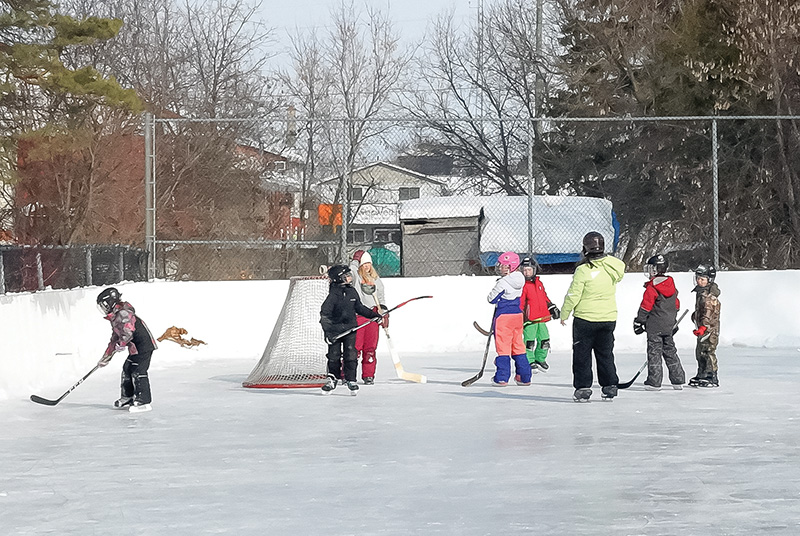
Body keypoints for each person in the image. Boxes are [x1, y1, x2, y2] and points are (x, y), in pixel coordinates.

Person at [560, 231, 625, 402]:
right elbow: (618, 265)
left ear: (585, 248)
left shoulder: (583, 270)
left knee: (582, 355)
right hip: (608, 318)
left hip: (585, 319)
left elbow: (574, 294)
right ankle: (610, 385)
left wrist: (564, 313)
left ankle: (583, 388)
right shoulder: (613, 266)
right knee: (605, 353)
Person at [319, 265, 381, 394]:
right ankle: (332, 378)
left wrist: (374, 315)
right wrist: (328, 332)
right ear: (339, 278)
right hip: (336, 331)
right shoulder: (333, 295)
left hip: (350, 329)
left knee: (351, 353)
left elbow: (359, 307)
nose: (350, 278)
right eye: (346, 276)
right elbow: (325, 315)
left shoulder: (352, 291)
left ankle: (351, 379)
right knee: (334, 355)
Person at [96, 287, 158, 413]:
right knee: (127, 368)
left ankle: (143, 400)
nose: (103, 309)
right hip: (135, 348)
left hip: (144, 346)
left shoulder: (123, 313)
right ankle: (128, 396)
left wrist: (122, 343)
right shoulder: (115, 316)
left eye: (103, 305)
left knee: (138, 370)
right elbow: (115, 338)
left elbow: (128, 332)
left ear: (110, 302)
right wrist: (106, 358)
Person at [633, 254, 685, 390]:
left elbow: (645, 306)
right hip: (668, 326)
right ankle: (678, 380)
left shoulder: (652, 288)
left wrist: (639, 322)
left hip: (655, 327)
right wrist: (672, 321)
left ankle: (654, 382)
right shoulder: (671, 286)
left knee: (654, 353)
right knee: (670, 351)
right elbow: (676, 305)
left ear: (655, 270)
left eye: (650, 269)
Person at [487, 252, 531, 386]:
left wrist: (498, 287)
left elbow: (491, 299)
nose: (500, 268)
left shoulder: (503, 282)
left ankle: (501, 377)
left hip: (503, 316)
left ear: (511, 267)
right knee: (518, 345)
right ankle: (524, 377)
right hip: (518, 315)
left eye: (504, 266)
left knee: (503, 347)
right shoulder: (520, 279)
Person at [350, 250, 388, 385]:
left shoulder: (376, 280)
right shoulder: (356, 277)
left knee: (370, 349)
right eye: (364, 263)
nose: (367, 266)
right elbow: (351, 271)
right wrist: (355, 261)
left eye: (368, 264)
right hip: (359, 315)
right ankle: (347, 374)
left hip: (373, 317)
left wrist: (383, 312)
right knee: (355, 348)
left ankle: (368, 375)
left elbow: (381, 297)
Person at [519, 256, 560, 373]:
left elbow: (544, 297)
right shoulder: (523, 285)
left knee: (544, 339)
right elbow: (521, 302)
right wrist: (520, 315)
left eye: (529, 270)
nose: (527, 272)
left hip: (542, 318)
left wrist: (551, 307)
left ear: (534, 270)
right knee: (529, 341)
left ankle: (540, 358)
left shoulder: (539, 283)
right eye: (524, 270)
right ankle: (529, 360)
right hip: (530, 320)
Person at [689, 264, 722, 387]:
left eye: (702, 279)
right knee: (700, 352)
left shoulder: (709, 296)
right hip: (702, 329)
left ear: (710, 280)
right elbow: (701, 310)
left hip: (710, 330)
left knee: (708, 351)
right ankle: (702, 373)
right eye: (698, 278)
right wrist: (695, 316)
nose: (699, 281)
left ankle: (712, 375)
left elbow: (708, 312)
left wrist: (704, 326)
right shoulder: (701, 293)